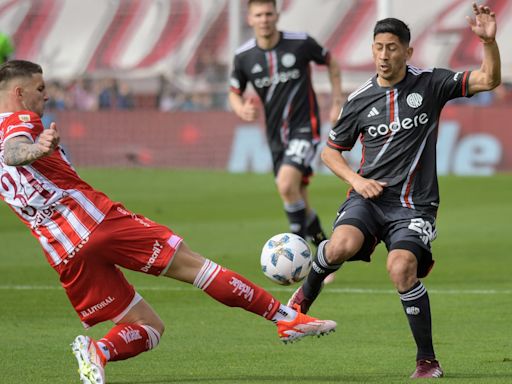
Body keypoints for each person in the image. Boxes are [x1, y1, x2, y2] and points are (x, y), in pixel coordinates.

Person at [0, 60, 337, 384]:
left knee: (148, 326)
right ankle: (286, 318)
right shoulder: (21, 120)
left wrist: (34, 153)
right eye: (39, 88)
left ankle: (97, 350)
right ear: (18, 93)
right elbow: (14, 151)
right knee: (195, 267)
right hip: (95, 222)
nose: (45, 95)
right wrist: (36, 150)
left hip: (63, 252)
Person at [288, 2, 500, 379]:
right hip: (368, 199)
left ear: (407, 51)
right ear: (371, 50)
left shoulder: (430, 83)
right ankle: (300, 304)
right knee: (338, 246)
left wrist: (488, 42)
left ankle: (427, 361)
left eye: (391, 47)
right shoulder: (359, 100)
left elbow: (488, 80)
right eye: (378, 47)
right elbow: (330, 152)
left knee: (401, 269)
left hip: (416, 206)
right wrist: (355, 180)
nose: (384, 55)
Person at [228, 0, 343, 274]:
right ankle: (325, 252)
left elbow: (331, 61)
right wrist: (241, 108)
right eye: (259, 15)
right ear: (250, 19)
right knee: (297, 195)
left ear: (277, 15)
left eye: (269, 13)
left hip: (305, 127)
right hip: (276, 137)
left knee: (285, 185)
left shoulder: (300, 43)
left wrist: (338, 101)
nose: (264, 19)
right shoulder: (244, 56)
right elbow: (234, 91)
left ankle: (297, 252)